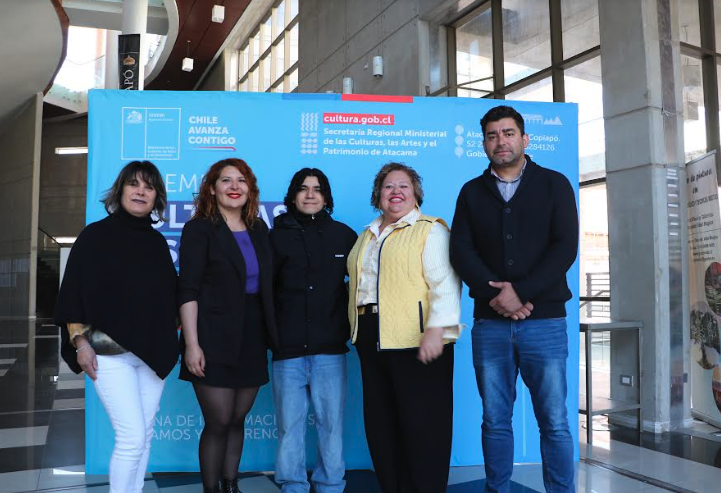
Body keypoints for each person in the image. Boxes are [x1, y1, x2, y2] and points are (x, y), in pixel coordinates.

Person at [449, 105, 578, 493]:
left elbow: (564, 248)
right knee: (495, 419)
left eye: (507, 133)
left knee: (554, 421)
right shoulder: (471, 192)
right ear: (484, 143)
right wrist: (498, 296)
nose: (500, 141)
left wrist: (520, 293)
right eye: (492, 135)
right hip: (490, 325)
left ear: (524, 139)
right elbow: (461, 251)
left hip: (545, 323)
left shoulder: (555, 184)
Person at [55, 161, 179, 493]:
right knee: (132, 438)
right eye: (134, 184)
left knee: (145, 436)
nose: (141, 191)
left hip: (151, 354)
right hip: (108, 353)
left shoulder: (156, 243)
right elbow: (71, 296)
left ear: (156, 198)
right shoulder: (95, 236)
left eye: (149, 187)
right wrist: (79, 342)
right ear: (120, 190)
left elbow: (169, 297)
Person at [347, 162, 462, 493]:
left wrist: (437, 331)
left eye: (404, 186)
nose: (395, 192)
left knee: (423, 428)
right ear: (378, 195)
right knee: (382, 426)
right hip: (371, 337)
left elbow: (446, 284)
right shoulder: (366, 235)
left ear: (416, 194)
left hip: (419, 340)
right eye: (388, 186)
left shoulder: (430, 230)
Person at [177, 158, 278, 493]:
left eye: (242, 181)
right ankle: (212, 489)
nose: (235, 187)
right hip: (211, 336)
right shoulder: (200, 228)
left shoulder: (259, 228)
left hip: (252, 334)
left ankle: (231, 485)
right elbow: (188, 290)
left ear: (250, 189)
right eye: (226, 180)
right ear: (212, 188)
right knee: (218, 420)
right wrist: (192, 344)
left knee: (237, 418)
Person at [269, 168, 357, 493]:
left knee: (330, 426)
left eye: (317, 189)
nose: (310, 195)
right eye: (303, 189)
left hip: (331, 350)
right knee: (289, 427)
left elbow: (363, 286)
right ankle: (293, 485)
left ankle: (331, 484)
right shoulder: (274, 237)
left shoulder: (345, 236)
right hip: (287, 350)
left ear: (326, 197)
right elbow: (264, 291)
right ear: (293, 195)